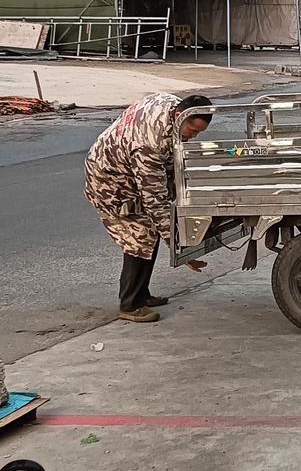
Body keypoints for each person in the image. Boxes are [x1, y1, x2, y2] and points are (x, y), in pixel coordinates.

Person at [84, 92, 214, 323]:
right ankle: (130, 304)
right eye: (192, 131)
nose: (192, 137)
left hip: (124, 165)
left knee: (149, 232)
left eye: (198, 133)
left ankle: (142, 294)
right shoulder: (149, 145)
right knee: (140, 236)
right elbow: (156, 203)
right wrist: (182, 248)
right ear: (178, 116)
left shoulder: (173, 106)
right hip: (111, 179)